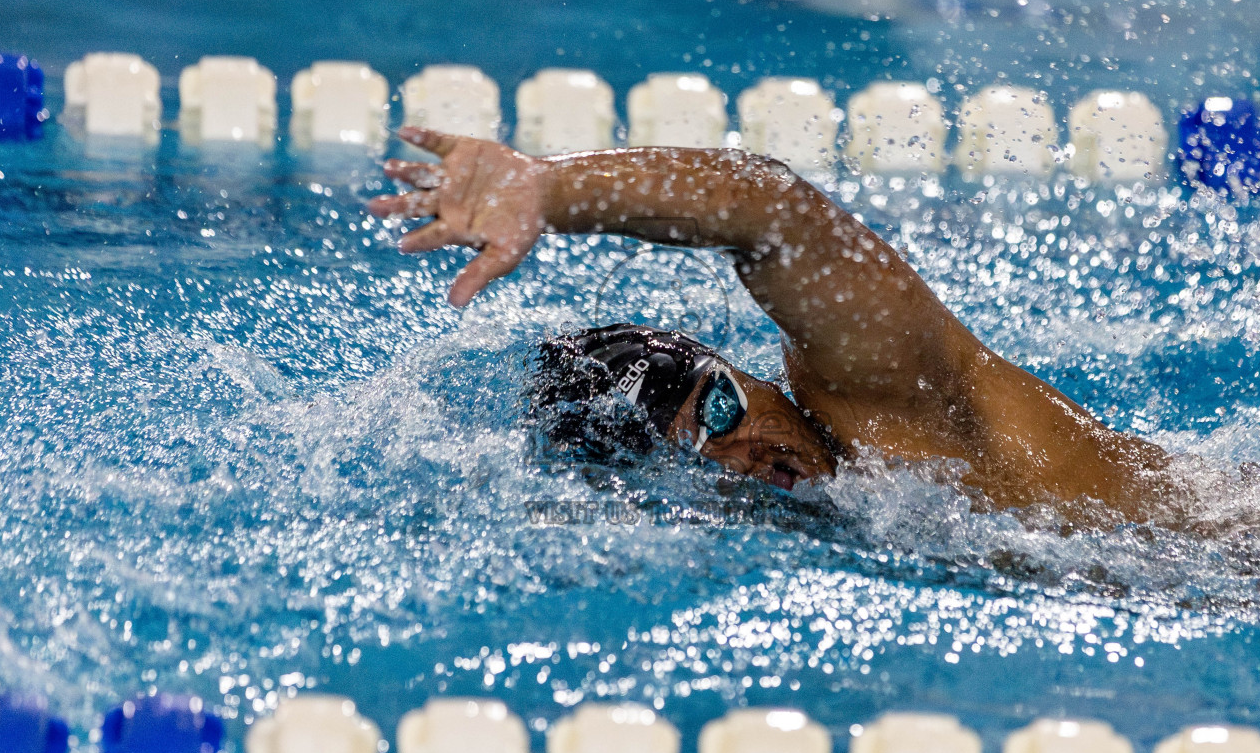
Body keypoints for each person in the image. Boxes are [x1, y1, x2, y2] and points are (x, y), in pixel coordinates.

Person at [370, 126, 1173, 524]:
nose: (739, 454)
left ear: (742, 373)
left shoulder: (879, 397)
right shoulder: (825, 520)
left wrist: (550, 192)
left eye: (720, 409)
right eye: (698, 454)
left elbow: (773, 210)